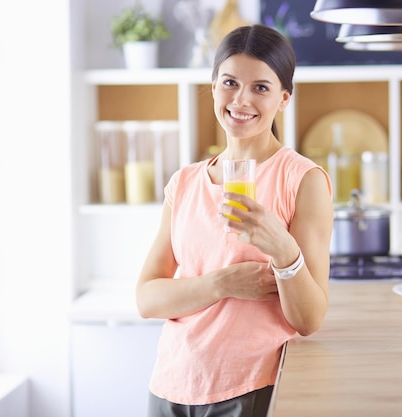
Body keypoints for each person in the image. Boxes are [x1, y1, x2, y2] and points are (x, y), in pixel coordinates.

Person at [136, 24, 334, 417]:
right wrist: (223, 283)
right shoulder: (185, 182)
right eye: (229, 83)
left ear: (283, 99)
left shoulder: (302, 180)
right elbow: (147, 299)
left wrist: (283, 251)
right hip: (171, 385)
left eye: (261, 87)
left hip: (251, 389)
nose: (241, 99)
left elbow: (309, 319)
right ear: (213, 88)